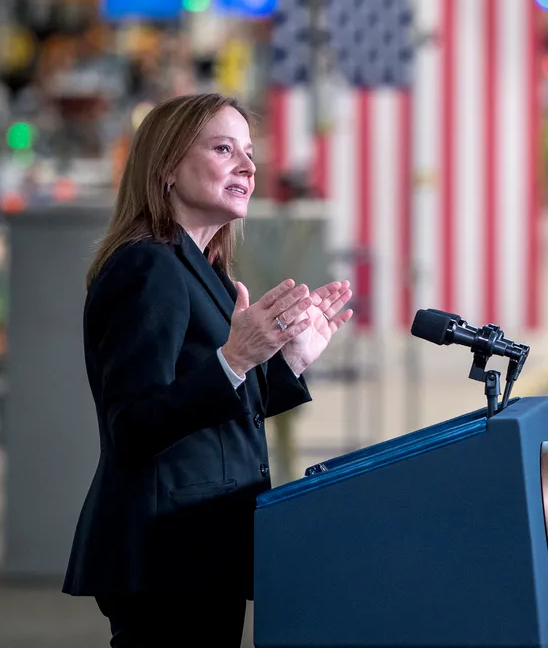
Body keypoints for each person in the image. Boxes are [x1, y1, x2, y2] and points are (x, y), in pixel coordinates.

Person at [61, 92, 354, 647]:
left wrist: (286, 360)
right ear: (167, 166)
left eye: (249, 151)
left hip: (201, 549)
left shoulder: (204, 272)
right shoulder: (148, 267)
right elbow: (135, 425)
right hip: (166, 555)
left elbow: (218, 414)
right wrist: (236, 357)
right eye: (224, 149)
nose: (247, 166)